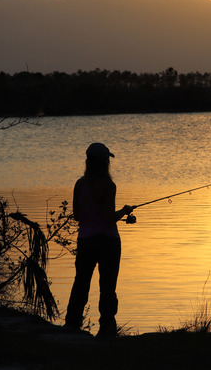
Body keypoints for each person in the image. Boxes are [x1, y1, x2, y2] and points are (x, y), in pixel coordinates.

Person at [65, 143, 133, 337]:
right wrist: (125, 211)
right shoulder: (109, 186)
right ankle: (106, 327)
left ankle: (72, 324)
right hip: (108, 242)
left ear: (88, 161)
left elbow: (77, 216)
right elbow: (108, 218)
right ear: (105, 162)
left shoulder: (79, 184)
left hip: (86, 241)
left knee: (81, 282)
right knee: (108, 285)